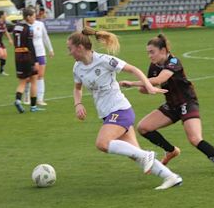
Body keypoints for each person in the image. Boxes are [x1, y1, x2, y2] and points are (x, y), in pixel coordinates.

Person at [68, 27, 183, 190]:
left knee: (102, 143)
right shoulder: (77, 67)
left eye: (70, 48)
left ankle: (147, 155)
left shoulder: (104, 60)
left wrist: (149, 86)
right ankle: (171, 177)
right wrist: (78, 104)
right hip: (107, 114)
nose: (69, 52)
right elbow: (77, 88)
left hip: (120, 109)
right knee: (134, 153)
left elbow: (133, 69)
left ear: (79, 47)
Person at [119, 34, 214, 176]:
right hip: (172, 105)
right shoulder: (154, 65)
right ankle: (171, 150)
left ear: (163, 50)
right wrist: (146, 88)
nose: (149, 56)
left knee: (194, 139)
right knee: (143, 127)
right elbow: (149, 85)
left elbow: (158, 80)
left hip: (187, 102)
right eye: (148, 53)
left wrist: (132, 83)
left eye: (152, 52)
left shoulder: (173, 61)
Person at [13, 8, 43, 113]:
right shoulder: (29, 29)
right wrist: (35, 61)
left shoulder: (16, 27)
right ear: (28, 17)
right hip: (27, 56)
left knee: (22, 81)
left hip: (17, 55)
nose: (35, 19)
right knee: (34, 80)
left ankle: (17, 100)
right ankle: (33, 107)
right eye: (34, 16)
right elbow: (30, 46)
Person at [22, 8, 54, 106]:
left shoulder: (40, 24)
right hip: (28, 54)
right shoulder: (23, 26)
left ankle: (40, 99)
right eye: (33, 15)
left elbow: (45, 37)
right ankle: (27, 95)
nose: (34, 16)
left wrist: (50, 49)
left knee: (40, 75)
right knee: (28, 77)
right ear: (28, 16)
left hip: (40, 53)